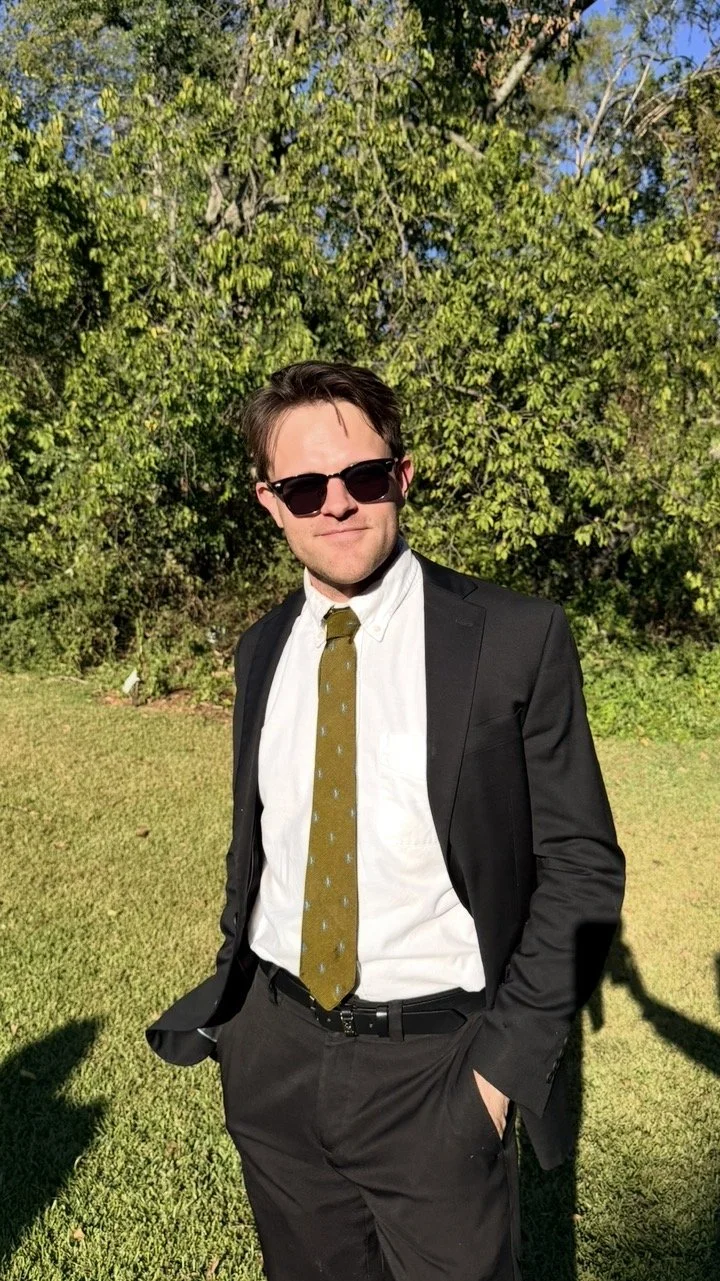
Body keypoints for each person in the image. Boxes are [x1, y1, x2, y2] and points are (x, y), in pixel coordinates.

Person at [146, 361, 625, 1281]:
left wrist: (495, 1077)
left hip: (440, 1071)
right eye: (303, 486)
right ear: (269, 503)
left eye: (362, 476)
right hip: (274, 1060)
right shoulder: (261, 649)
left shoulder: (514, 639)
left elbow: (582, 865)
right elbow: (263, 842)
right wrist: (240, 1021)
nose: (337, 504)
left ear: (401, 478)